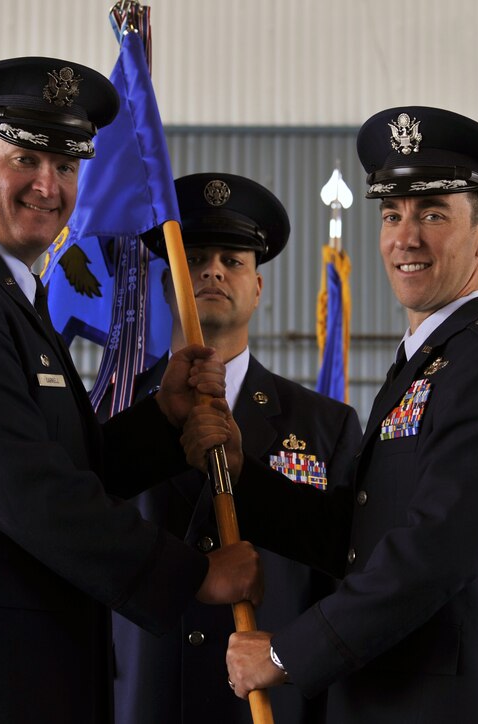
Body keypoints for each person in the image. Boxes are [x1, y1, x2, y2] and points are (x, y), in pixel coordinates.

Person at [0, 58, 263, 724]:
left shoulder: (1, 291)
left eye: (66, 167)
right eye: (27, 160)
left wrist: (164, 418)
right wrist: (191, 575)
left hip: (8, 674)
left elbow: (66, 463)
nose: (49, 185)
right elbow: (27, 487)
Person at [204, 106, 478, 723]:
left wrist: (285, 653)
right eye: (393, 214)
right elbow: (359, 536)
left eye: (433, 215)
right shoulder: (419, 369)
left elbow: (433, 553)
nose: (404, 237)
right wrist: (240, 474)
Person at [108, 172, 362, 724]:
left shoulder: (326, 426)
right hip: (139, 704)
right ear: (166, 281)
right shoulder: (112, 417)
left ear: (258, 286)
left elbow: (344, 594)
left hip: (271, 709)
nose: (213, 270)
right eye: (195, 256)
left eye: (233, 259)